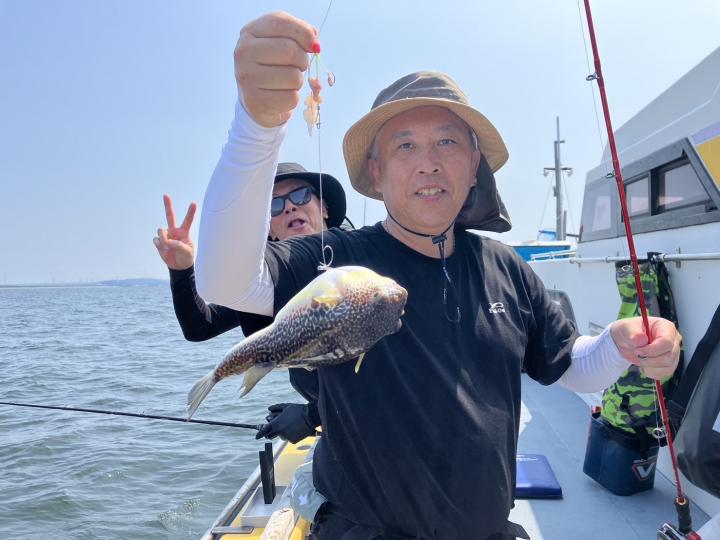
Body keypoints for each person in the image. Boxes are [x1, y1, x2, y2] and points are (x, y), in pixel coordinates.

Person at [195, 13, 682, 540]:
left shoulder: (507, 268)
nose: (428, 163)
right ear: (376, 173)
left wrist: (622, 343)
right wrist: (257, 126)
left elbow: (572, 367)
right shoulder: (335, 258)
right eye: (405, 145)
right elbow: (225, 282)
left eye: (447, 143)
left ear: (474, 167)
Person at [154, 162, 349, 442]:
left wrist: (313, 415)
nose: (289, 207)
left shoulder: (359, 261)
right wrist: (182, 270)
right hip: (341, 429)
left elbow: (389, 366)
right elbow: (200, 327)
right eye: (275, 205)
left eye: (300, 195)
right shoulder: (271, 282)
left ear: (324, 208)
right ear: (268, 229)